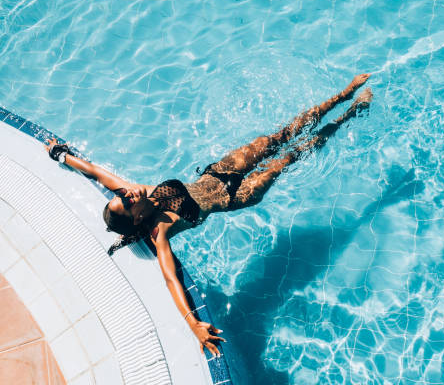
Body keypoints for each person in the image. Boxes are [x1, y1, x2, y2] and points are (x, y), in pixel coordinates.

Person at [45, 74, 372, 357]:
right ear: (137, 218)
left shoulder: (138, 191)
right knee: (291, 155)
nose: (127, 194)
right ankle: (351, 114)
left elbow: (96, 173)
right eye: (126, 203)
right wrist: (193, 324)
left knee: (280, 137)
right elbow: (171, 278)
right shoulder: (159, 231)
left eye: (122, 196)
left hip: (218, 172)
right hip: (237, 196)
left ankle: (343, 95)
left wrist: (60, 154)